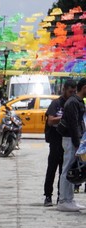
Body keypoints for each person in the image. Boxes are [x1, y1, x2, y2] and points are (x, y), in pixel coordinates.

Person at [44, 79, 77, 207]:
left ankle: (61, 196)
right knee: (52, 168)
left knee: (64, 170)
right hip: (56, 140)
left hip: (67, 140)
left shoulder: (73, 103)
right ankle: (48, 196)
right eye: (70, 91)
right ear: (64, 90)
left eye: (74, 92)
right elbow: (50, 121)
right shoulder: (56, 103)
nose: (72, 94)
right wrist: (64, 118)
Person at [56, 78, 86, 212]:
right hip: (70, 139)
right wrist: (78, 144)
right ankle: (63, 200)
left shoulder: (77, 101)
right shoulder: (73, 102)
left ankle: (69, 199)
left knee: (72, 168)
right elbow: (74, 125)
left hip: (73, 139)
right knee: (67, 169)